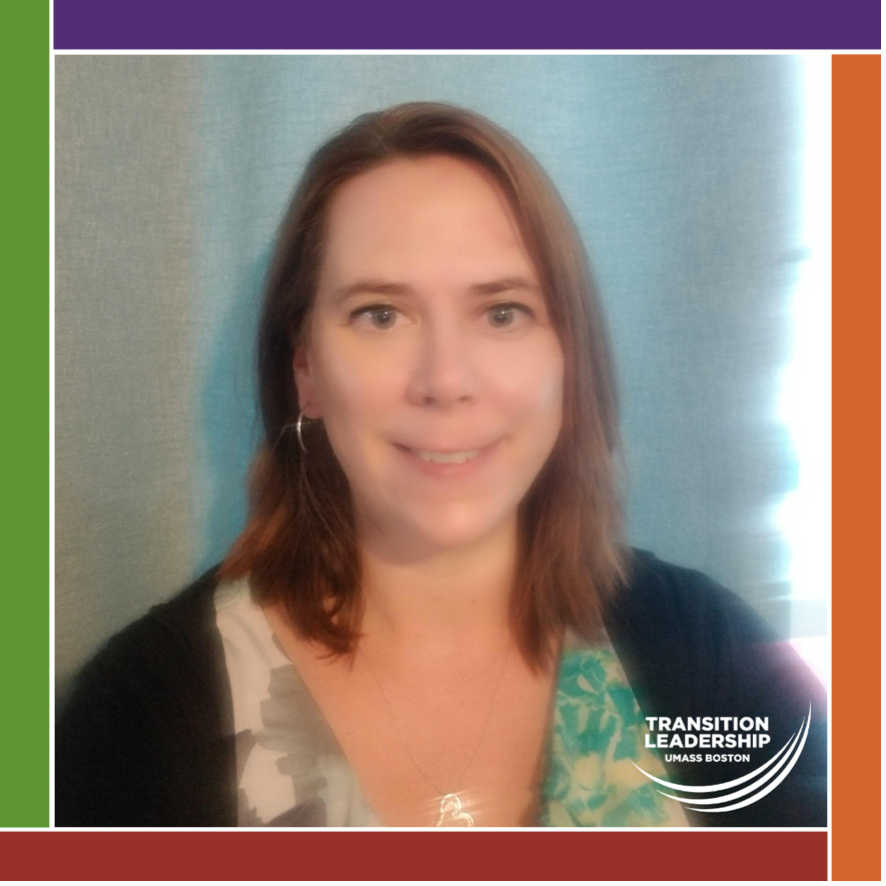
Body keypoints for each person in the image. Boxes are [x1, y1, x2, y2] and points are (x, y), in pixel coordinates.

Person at [56, 102, 826, 828]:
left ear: (568, 358)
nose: (446, 380)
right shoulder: (137, 721)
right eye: (380, 314)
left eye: (503, 312)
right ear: (305, 368)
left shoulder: (712, 657)